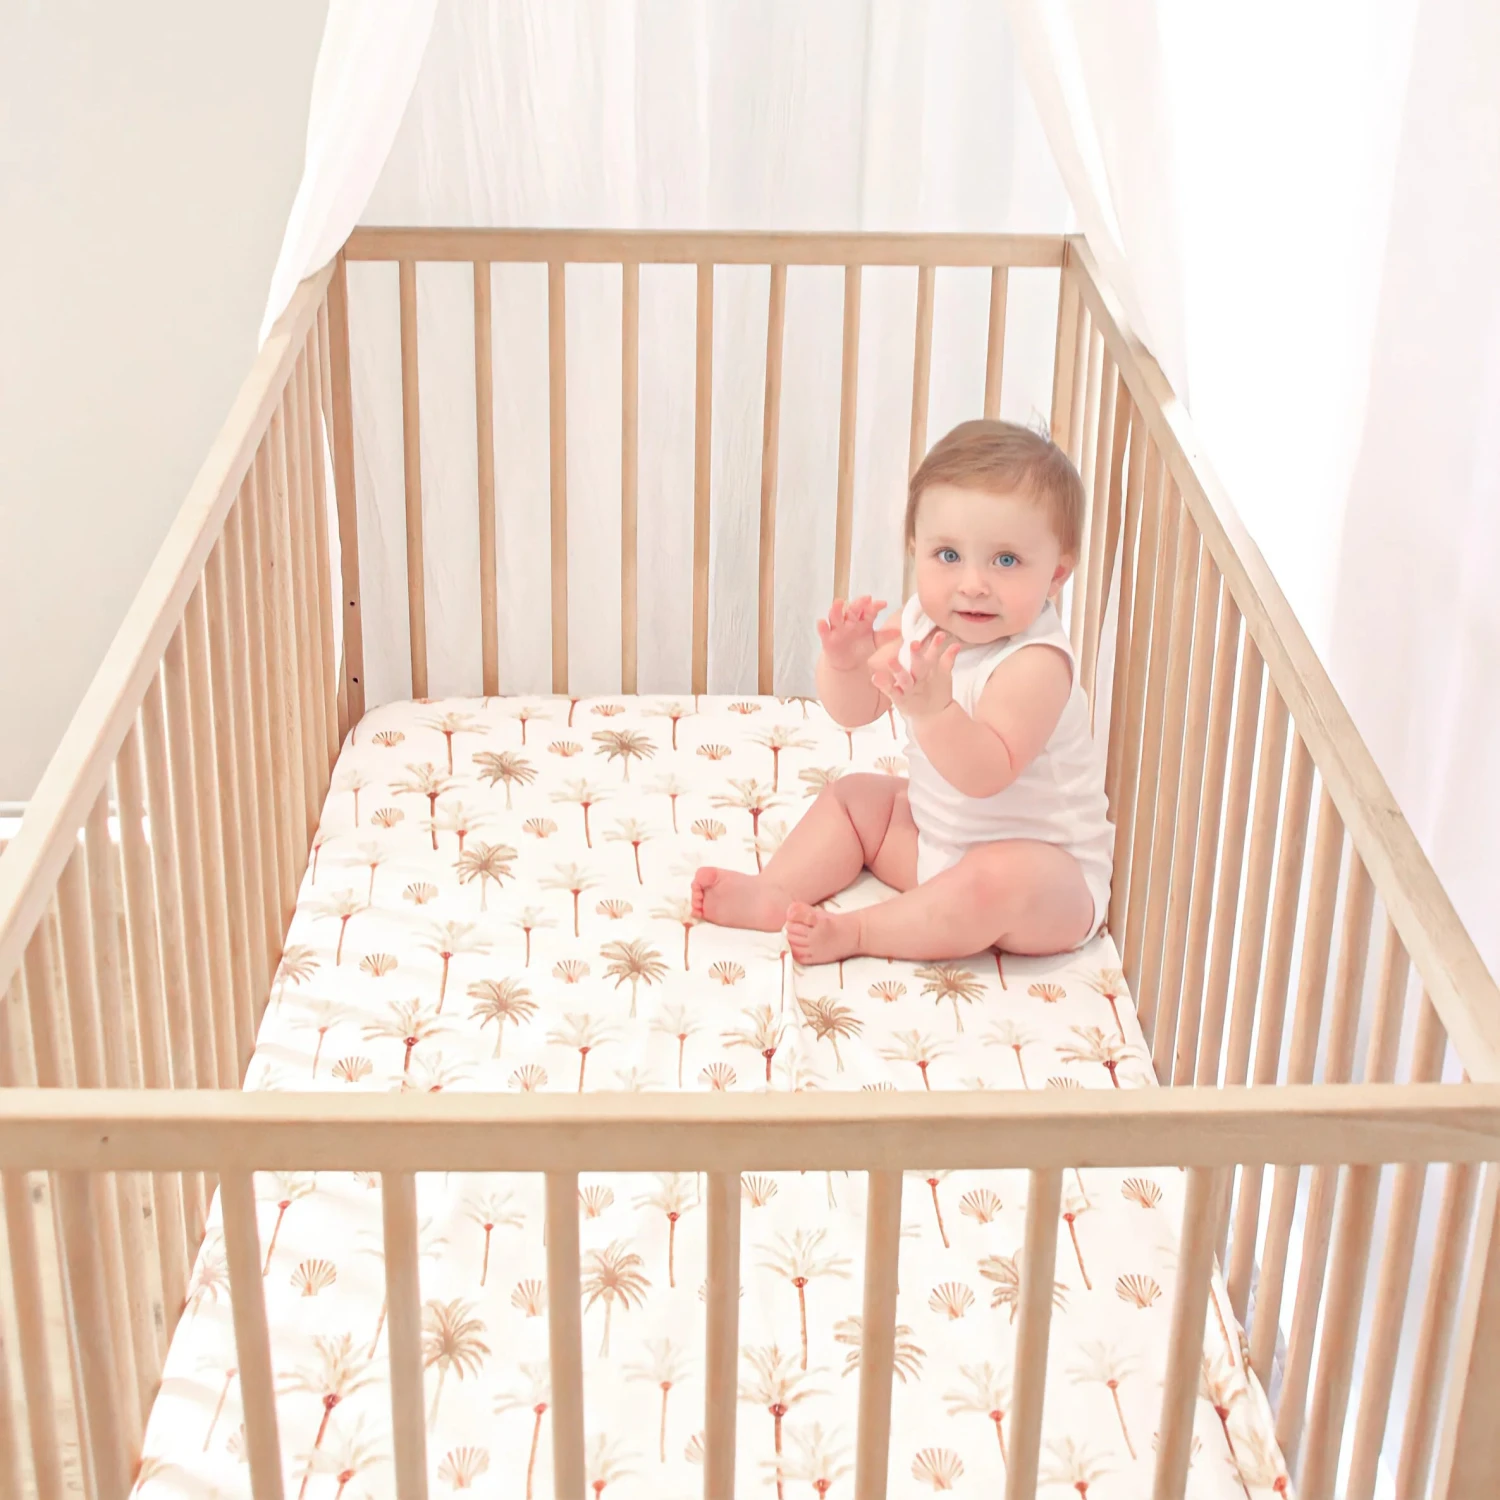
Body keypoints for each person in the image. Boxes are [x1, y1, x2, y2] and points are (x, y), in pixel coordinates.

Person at [691, 418, 1112, 967]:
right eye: (948, 555)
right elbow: (855, 711)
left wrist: (935, 713)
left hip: (1049, 885)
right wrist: (846, 663)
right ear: (915, 549)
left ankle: (860, 932)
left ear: (1056, 575)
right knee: (855, 798)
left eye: (1006, 560)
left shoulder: (1036, 663)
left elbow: (986, 774)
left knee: (994, 878)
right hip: (936, 845)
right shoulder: (924, 623)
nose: (973, 584)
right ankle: (775, 891)